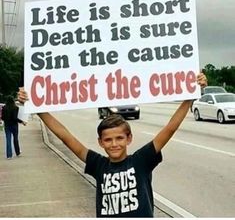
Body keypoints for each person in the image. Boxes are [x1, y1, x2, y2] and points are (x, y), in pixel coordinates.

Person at [17, 73, 207, 217]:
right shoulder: (98, 164)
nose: (114, 144)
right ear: (100, 142)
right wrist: (36, 107)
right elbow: (65, 136)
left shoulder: (141, 161)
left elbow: (170, 128)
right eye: (108, 140)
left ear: (129, 139)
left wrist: (190, 97)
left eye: (119, 138)